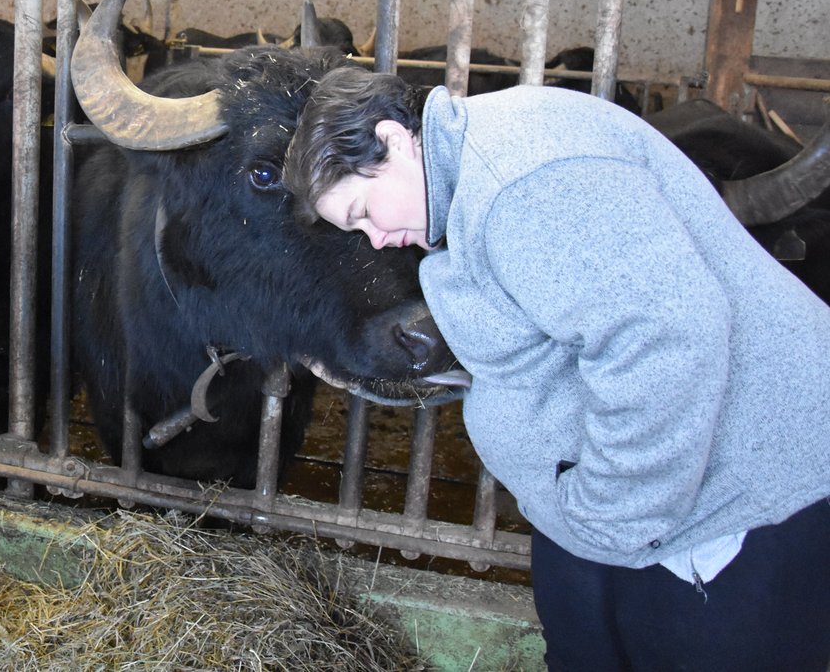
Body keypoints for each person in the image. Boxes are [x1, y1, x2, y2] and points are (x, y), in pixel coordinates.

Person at [282, 68, 830, 672]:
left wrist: (608, 517)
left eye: (364, 210)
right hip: (639, 510)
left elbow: (667, 341)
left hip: (731, 510)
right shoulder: (472, 175)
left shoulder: (523, 181)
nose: (378, 239)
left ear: (391, 138)